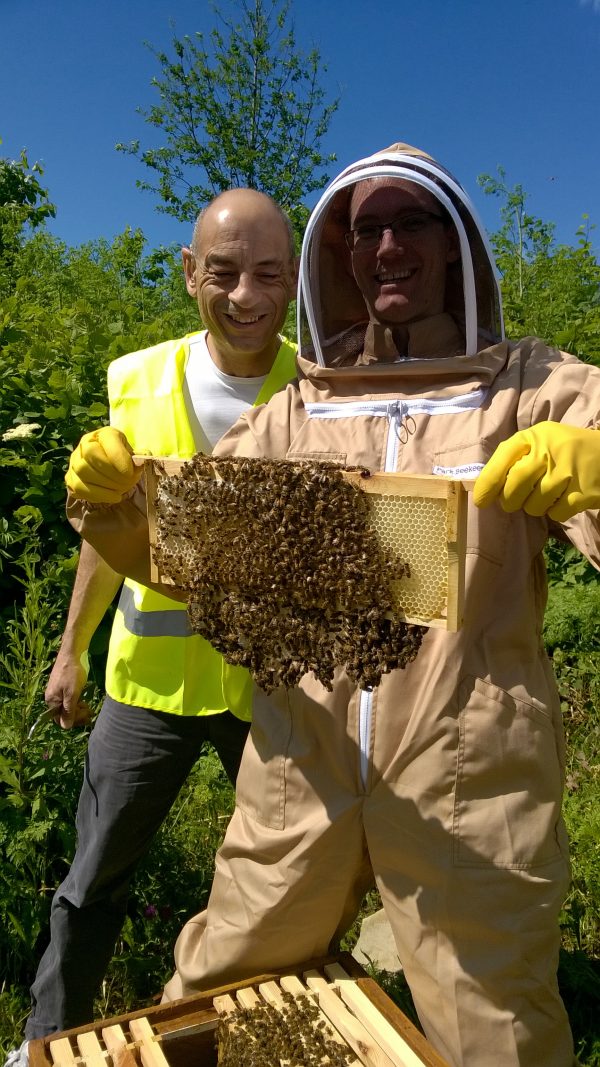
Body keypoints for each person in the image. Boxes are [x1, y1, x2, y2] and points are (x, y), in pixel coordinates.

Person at [64, 144, 600, 1067]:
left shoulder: (530, 386)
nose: (387, 246)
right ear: (341, 258)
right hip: (296, 766)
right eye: (366, 230)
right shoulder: (294, 410)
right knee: (216, 997)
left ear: (456, 243)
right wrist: (112, 507)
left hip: (467, 778)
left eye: (410, 223)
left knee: (495, 1031)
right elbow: (184, 553)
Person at [12, 188, 298, 1060]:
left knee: (294, 882)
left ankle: (269, 1032)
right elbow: (105, 539)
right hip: (148, 684)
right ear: (188, 274)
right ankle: (44, 1041)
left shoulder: (320, 388)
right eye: (223, 272)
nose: (245, 296)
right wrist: (70, 651)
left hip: (274, 687)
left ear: (294, 284)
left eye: (268, 275)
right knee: (93, 877)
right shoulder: (134, 378)